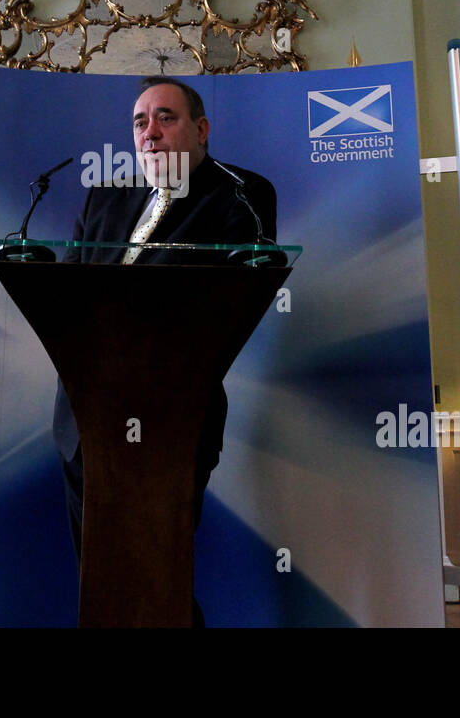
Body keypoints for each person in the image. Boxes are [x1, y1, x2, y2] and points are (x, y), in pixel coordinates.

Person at [54, 77, 277, 622]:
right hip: (85, 421)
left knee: (156, 571)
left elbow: (230, 302)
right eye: (139, 121)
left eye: (165, 118)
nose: (148, 133)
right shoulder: (105, 198)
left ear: (201, 129)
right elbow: (63, 295)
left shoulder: (240, 194)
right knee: (101, 579)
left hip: (170, 420)